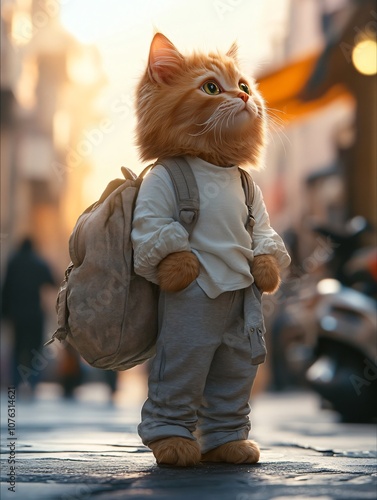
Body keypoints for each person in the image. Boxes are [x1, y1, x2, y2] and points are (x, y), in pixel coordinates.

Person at [1, 238, 56, 391]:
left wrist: (5, 314)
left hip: (17, 315)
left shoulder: (13, 263)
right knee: (35, 350)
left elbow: (5, 290)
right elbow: (53, 281)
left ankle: (15, 382)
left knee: (17, 349)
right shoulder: (39, 262)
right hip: (35, 315)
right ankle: (33, 383)